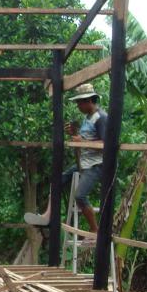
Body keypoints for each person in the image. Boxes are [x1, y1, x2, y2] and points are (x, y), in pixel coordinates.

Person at [24, 83, 107, 234]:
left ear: (88, 100)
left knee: (80, 196)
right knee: (57, 181)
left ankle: (95, 230)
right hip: (83, 162)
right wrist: (75, 134)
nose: (78, 106)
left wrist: (82, 142)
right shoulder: (88, 118)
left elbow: (106, 143)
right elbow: (85, 139)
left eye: (79, 103)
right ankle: (47, 216)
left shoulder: (101, 118)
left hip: (96, 165)